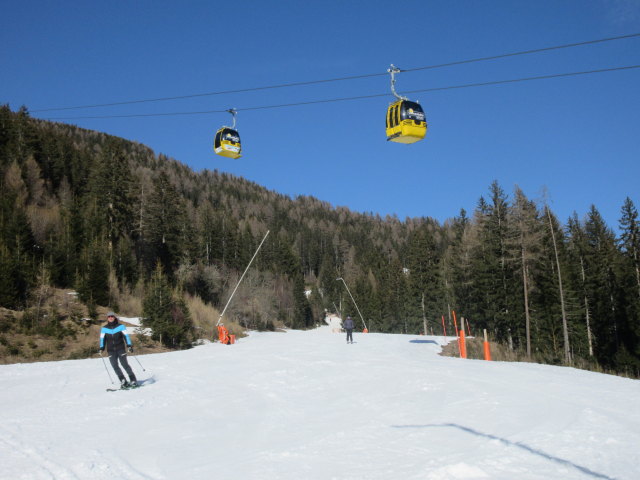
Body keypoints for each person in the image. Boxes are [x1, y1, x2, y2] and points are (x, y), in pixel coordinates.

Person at [99, 312, 137, 388]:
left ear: (114, 317)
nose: (110, 318)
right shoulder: (104, 329)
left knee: (124, 364)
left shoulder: (121, 326)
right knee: (115, 366)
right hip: (110, 350)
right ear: (107, 318)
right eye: (109, 316)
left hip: (120, 349)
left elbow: (126, 337)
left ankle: (133, 379)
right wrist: (101, 348)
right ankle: (123, 380)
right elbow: (102, 339)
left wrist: (129, 345)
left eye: (112, 316)